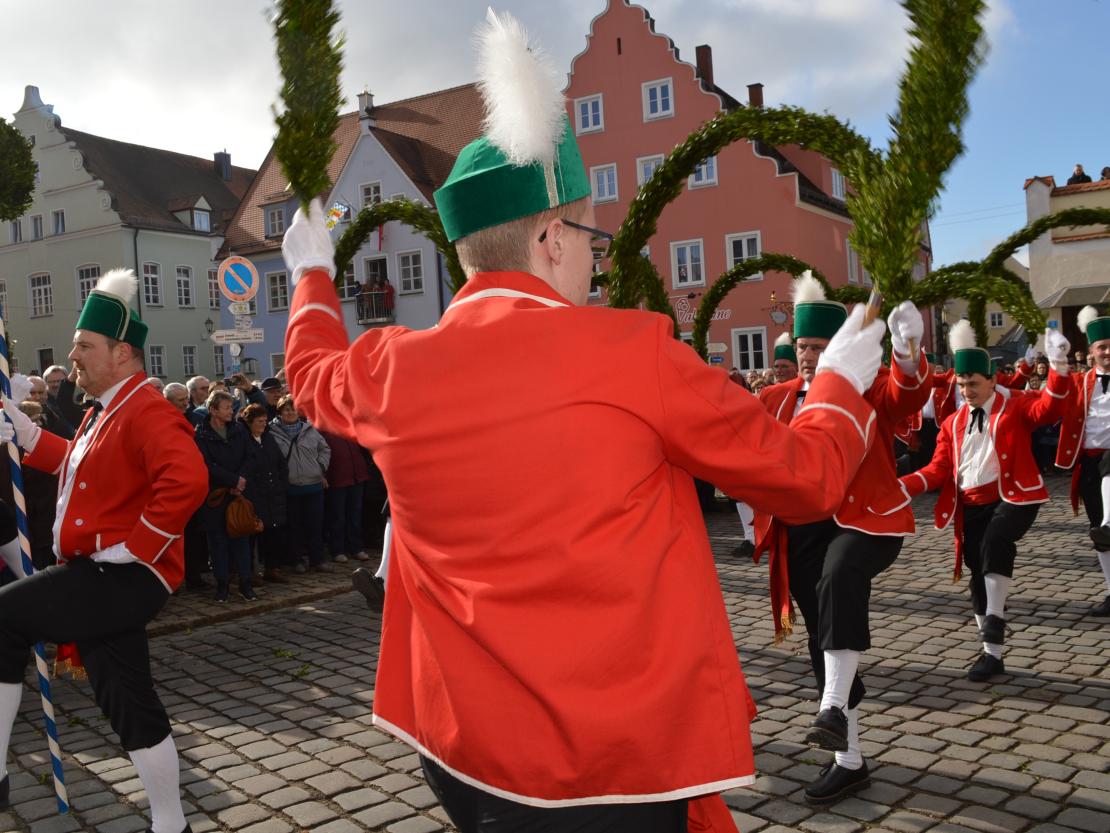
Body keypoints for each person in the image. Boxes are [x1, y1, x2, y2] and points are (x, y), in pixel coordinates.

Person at [278, 10, 886, 830]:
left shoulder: (391, 366)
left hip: (459, 751)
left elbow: (311, 374)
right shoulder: (632, 354)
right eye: (593, 243)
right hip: (607, 768)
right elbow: (807, 479)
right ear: (550, 235)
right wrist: (842, 385)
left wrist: (314, 277)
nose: (597, 265)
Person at [0, 268, 207, 833]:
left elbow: (186, 481)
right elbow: (77, 466)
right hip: (109, 576)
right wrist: (23, 430)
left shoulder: (147, 407)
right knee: (128, 700)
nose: (73, 357)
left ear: (123, 352)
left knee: (3, 619)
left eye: (84, 347)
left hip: (120, 575)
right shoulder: (105, 409)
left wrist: (134, 548)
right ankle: (172, 824)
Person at [753, 274, 930, 805]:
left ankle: (831, 706)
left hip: (865, 520)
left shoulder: (867, 387)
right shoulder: (774, 399)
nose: (808, 356)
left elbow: (907, 395)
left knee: (841, 573)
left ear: (841, 348)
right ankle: (848, 759)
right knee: (821, 637)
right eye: (802, 347)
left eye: (819, 347)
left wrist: (904, 352)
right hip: (801, 529)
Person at [900, 322, 1070, 681]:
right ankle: (991, 655)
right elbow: (938, 467)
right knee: (978, 574)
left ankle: (995, 619)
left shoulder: (1016, 405)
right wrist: (904, 486)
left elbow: (1051, 409)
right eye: (962, 385)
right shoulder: (952, 423)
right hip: (970, 504)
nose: (967, 391)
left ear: (992, 380)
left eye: (973, 383)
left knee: (997, 540)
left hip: (1015, 496)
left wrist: (1058, 365)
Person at [1061, 307, 1110, 615]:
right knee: (1099, 534)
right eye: (1102, 346)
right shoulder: (1080, 383)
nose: (1108, 351)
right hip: (1090, 464)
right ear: (1091, 352)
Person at [194, 389, 257, 602]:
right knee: (218, 543)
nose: (231, 411)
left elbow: (251, 456)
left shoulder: (239, 429)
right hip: (216, 497)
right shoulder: (201, 434)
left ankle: (245, 584)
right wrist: (232, 480)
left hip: (238, 495)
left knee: (241, 539)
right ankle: (221, 586)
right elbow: (205, 464)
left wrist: (241, 479)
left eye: (232, 407)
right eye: (227, 407)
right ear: (213, 410)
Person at [268, 396, 330, 573]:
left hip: (313, 486)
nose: (290, 412)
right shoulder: (272, 432)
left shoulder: (309, 429)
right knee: (294, 527)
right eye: (286, 409)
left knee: (315, 525)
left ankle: (317, 559)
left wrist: (320, 467)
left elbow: (325, 449)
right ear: (280, 412)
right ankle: (296, 560)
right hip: (290, 487)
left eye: (293, 409)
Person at [239, 404, 289, 584]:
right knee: (252, 535)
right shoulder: (243, 440)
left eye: (265, 421)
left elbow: (281, 464)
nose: (263, 425)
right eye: (259, 421)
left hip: (273, 494)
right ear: (250, 422)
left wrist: (281, 485)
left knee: (273, 534)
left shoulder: (268, 439)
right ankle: (251, 572)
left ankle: (271, 568)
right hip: (254, 496)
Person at [322, 429, 371, 563]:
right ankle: (337, 550)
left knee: (355, 515)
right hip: (337, 477)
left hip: (357, 476)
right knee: (338, 516)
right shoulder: (324, 430)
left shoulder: (349, 427)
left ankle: (355, 548)